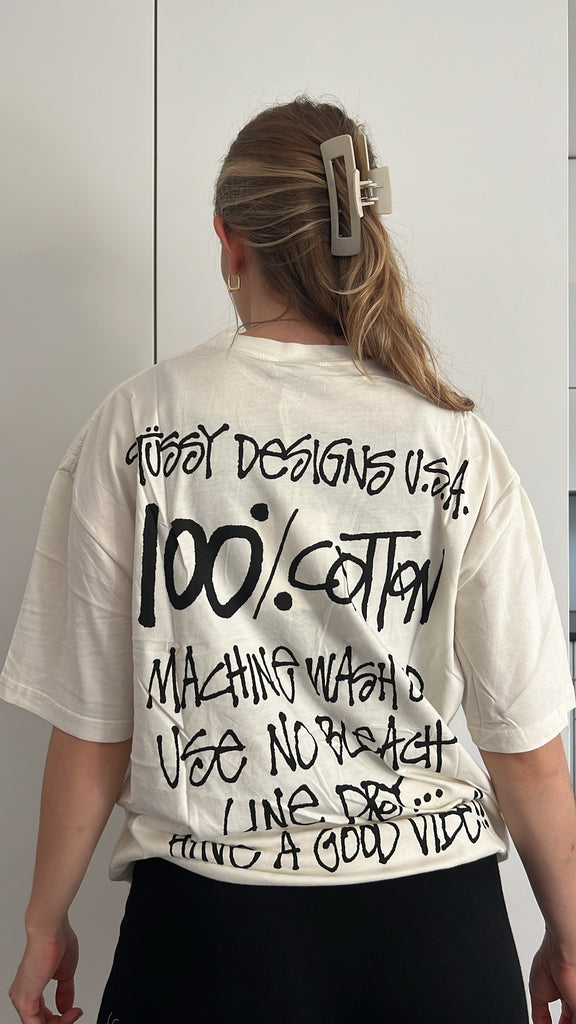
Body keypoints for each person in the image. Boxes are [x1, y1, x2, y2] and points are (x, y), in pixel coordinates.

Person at [2, 95, 576, 1024]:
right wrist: (569, 934)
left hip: (207, 938)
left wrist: (42, 923)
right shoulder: (455, 442)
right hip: (434, 932)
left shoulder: (141, 423)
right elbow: (526, 746)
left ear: (229, 239)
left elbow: (94, 725)